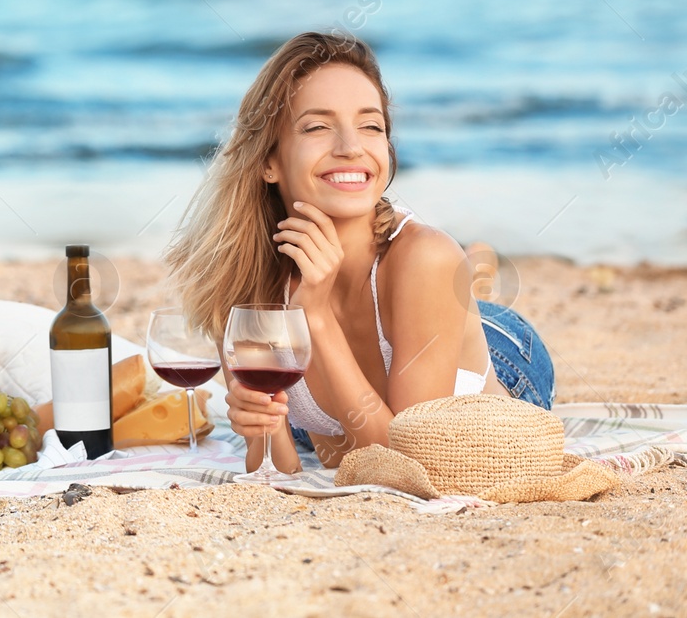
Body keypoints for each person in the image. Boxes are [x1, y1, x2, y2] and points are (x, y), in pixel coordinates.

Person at [163, 31, 555, 472]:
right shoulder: (246, 277)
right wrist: (262, 426)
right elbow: (280, 469)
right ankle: (474, 282)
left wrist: (316, 315)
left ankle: (471, 290)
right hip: (379, 385)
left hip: (506, 362)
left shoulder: (426, 258)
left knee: (451, 282)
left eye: (371, 126)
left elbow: (405, 463)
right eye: (317, 126)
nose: (351, 148)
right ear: (269, 161)